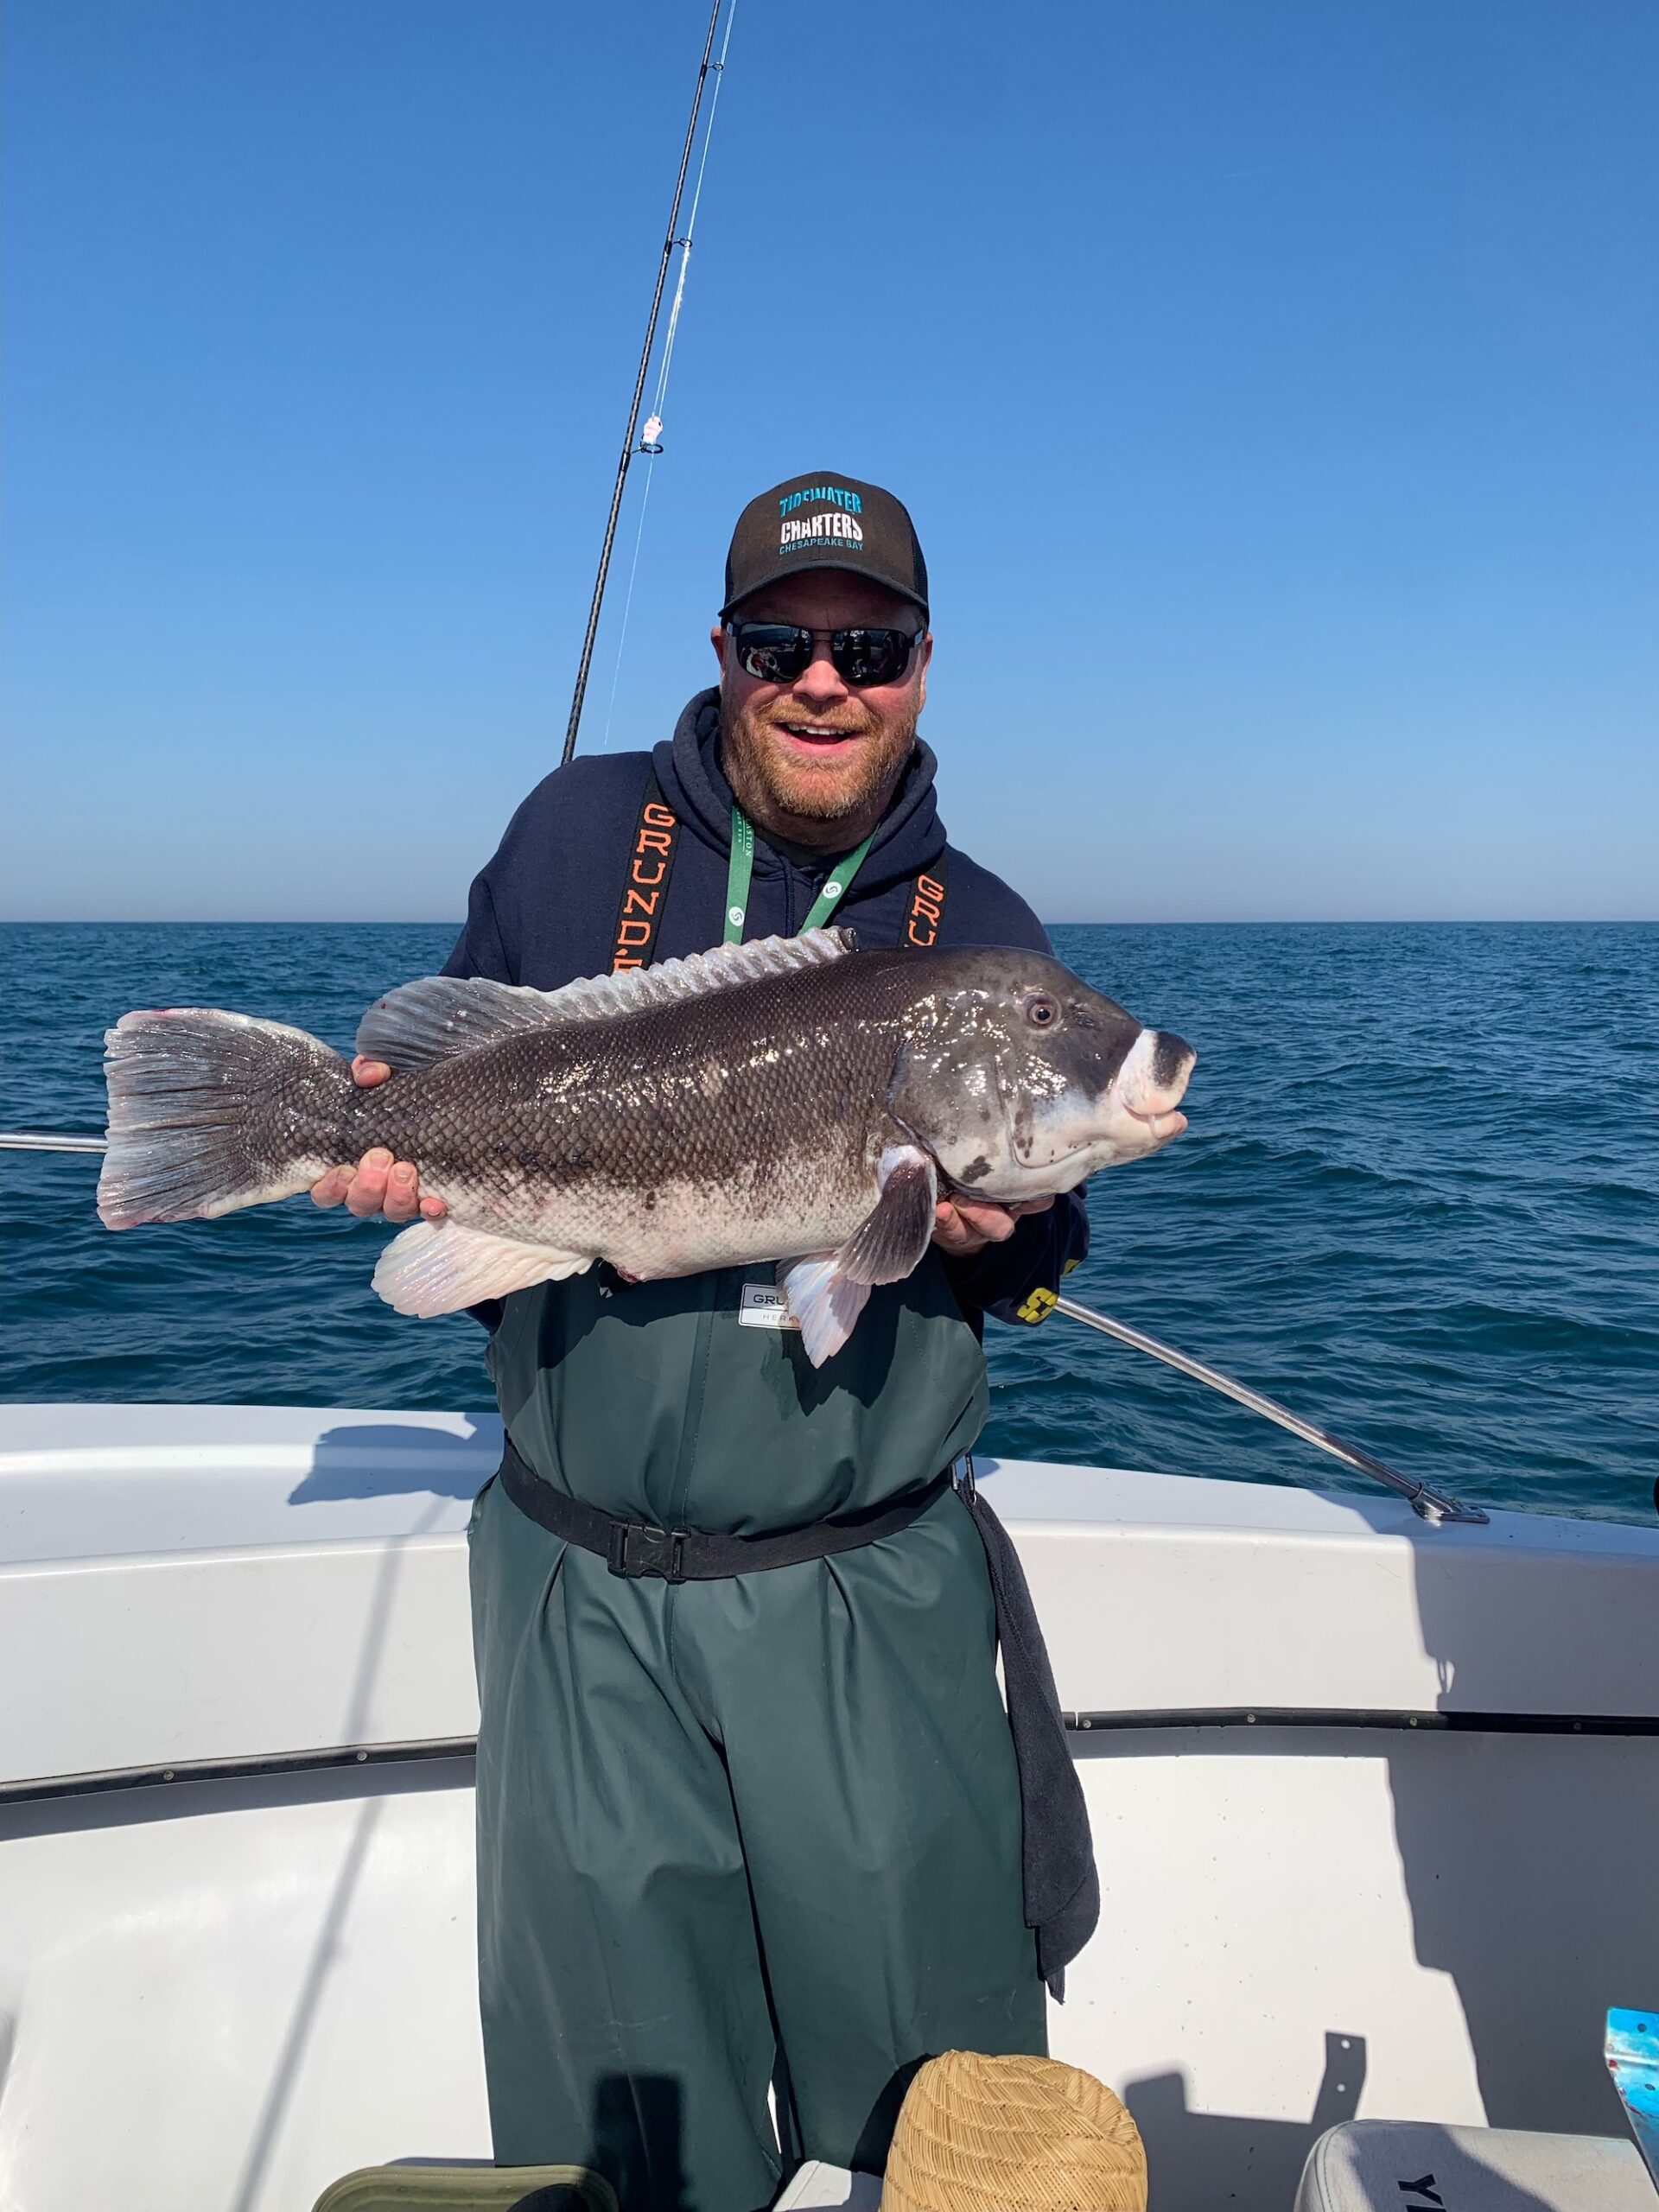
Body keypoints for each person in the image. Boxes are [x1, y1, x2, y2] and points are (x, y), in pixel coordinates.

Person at [312, 474, 1091, 2212]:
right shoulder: (577, 836)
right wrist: (392, 1159)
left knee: (942, 2113)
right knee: (620, 2132)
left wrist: (1012, 1226)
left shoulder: (984, 934)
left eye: (868, 646)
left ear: (922, 661)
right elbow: (448, 1073)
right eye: (784, 643)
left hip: (860, 1597)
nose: (826, 683)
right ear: (728, 654)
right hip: (572, 1590)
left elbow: (1050, 1253)